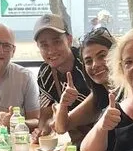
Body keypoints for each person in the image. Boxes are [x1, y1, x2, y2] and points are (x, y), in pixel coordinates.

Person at [33, 14, 91, 143]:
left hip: (101, 140)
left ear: (69, 40)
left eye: (57, 42)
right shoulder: (45, 73)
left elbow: (98, 106)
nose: (51, 51)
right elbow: (46, 115)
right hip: (75, 142)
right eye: (44, 45)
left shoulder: (87, 65)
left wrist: (61, 117)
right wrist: (41, 131)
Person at [0, 23, 40, 140]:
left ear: (13, 51)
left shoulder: (25, 78)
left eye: (6, 46)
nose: (0, 51)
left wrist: (17, 122)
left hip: (11, 147)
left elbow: (37, 121)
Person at [53, 27, 116, 135]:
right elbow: (61, 127)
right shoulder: (99, 94)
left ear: (116, 56)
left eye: (102, 56)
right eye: (88, 61)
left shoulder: (132, 93)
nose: (95, 65)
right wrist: (63, 104)